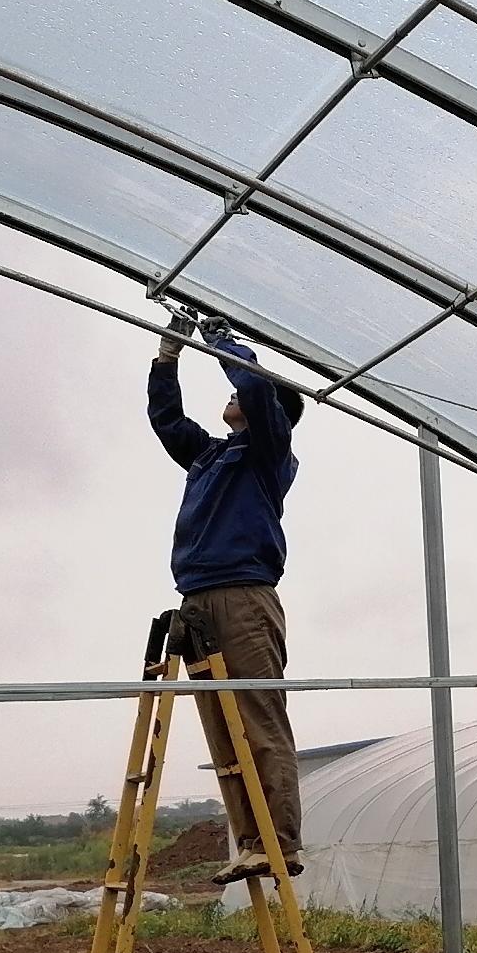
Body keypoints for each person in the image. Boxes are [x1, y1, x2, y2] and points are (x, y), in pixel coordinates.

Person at [149, 310, 307, 885]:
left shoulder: (268, 452)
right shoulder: (211, 455)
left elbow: (258, 389)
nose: (232, 397)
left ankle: (279, 843)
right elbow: (168, 421)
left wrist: (221, 341)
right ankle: (248, 843)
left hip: (243, 597)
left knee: (257, 719)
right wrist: (168, 357)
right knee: (223, 729)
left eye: (238, 393)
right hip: (196, 597)